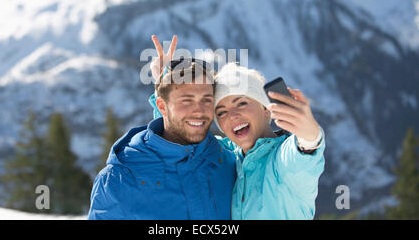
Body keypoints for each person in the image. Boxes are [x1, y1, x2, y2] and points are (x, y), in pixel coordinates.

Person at [149, 35, 325, 220]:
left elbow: (301, 160)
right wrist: (167, 89)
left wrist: (309, 136)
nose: (232, 116)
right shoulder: (227, 156)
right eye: (222, 112)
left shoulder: (280, 161)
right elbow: (180, 142)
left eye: (241, 103)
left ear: (265, 109)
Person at [87, 50, 236, 219]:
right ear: (162, 107)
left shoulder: (229, 161)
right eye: (186, 100)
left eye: (206, 100)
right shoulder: (119, 180)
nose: (199, 111)